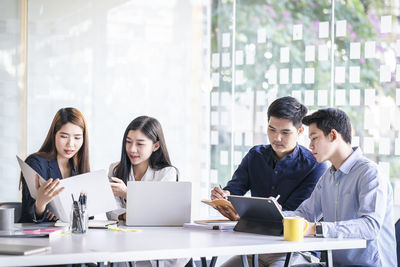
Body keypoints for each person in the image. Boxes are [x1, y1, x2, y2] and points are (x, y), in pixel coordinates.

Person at [283, 108, 396, 266]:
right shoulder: (328, 177)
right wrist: (270, 215)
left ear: (333, 135)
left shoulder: (370, 173)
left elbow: (370, 226)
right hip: (334, 263)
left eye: (314, 138)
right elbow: (305, 214)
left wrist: (317, 228)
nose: (310, 145)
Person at [211, 96, 327, 219]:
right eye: (272, 129)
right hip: (252, 232)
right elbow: (235, 188)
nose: (277, 138)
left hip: (293, 235)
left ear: (300, 131)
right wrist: (223, 196)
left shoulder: (315, 165)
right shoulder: (255, 155)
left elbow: (298, 213)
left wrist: (259, 214)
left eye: (285, 132)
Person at [108, 115, 188, 267]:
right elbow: (111, 212)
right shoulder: (116, 169)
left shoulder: (167, 173)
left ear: (155, 146)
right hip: (124, 241)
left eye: (140, 144)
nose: (132, 149)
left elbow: (158, 213)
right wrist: (134, 214)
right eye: (128, 142)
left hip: (158, 243)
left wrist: (127, 195)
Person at [20, 107, 90, 223]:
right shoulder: (35, 163)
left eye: (77, 137)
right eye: (64, 136)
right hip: (38, 238)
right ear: (54, 135)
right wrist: (40, 204)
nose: (70, 144)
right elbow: (27, 217)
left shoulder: (79, 168)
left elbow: (87, 214)